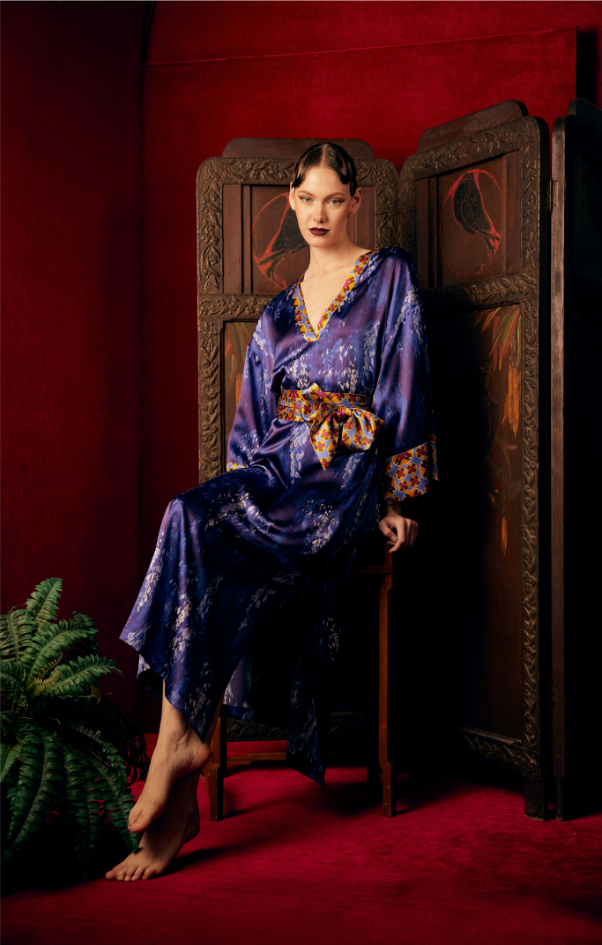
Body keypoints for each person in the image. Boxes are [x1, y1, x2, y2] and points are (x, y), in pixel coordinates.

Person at [106, 142, 438, 882]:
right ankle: (179, 757)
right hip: (273, 473)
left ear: (354, 202)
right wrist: (236, 505)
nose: (319, 214)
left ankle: (174, 768)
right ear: (290, 201)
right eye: (307, 199)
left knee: (212, 541)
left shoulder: (389, 277)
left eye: (333, 199)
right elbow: (249, 428)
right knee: (190, 519)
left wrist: (397, 498)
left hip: (340, 483)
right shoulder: (276, 313)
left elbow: (406, 383)